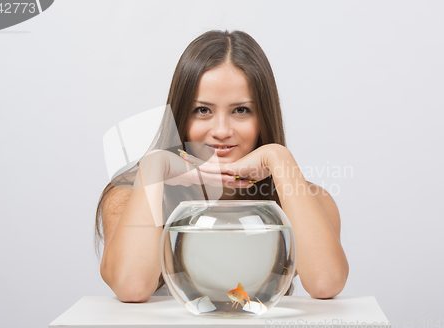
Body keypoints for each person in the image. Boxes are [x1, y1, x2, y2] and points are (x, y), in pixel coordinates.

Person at [94, 30, 349, 303]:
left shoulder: (310, 201)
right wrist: (154, 165)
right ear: (180, 115)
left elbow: (325, 284)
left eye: (241, 110)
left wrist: (278, 157)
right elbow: (131, 287)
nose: (221, 131)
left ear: (264, 117)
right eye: (203, 110)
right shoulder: (126, 195)